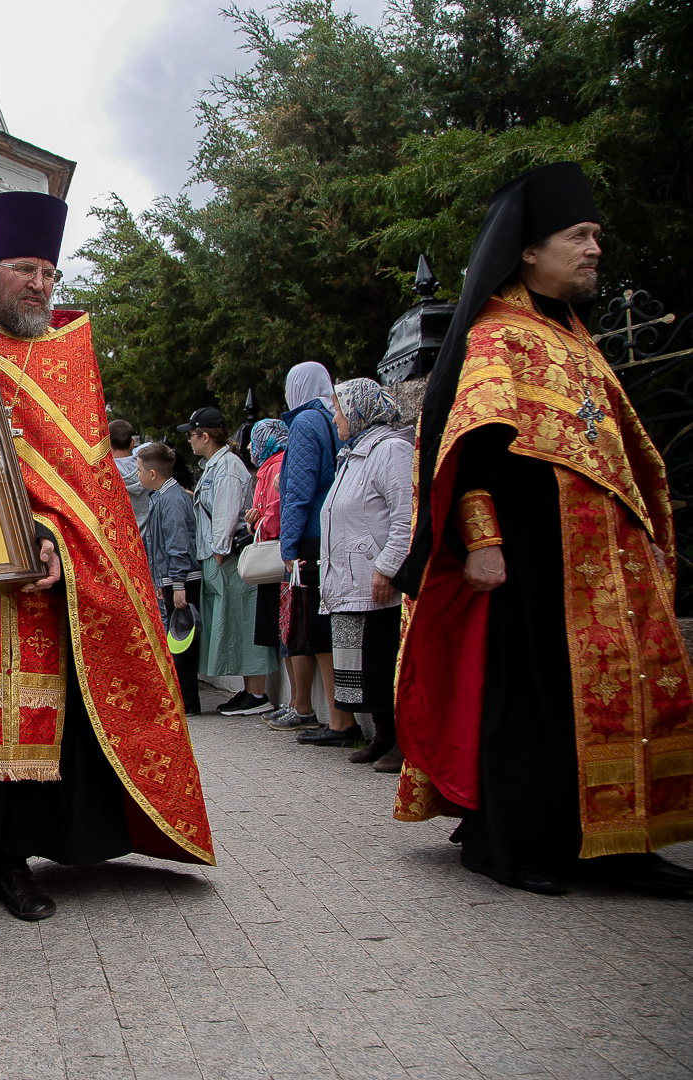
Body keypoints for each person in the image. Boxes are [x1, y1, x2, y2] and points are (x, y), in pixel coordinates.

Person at [0, 190, 215, 924]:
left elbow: (89, 484)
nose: (39, 285)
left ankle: (10, 856)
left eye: (49, 273)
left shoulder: (71, 359)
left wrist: (62, 542)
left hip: (43, 577)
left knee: (40, 721)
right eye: (25, 269)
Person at [393, 161, 693, 897]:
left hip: (608, 561)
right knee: (531, 701)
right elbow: (468, 454)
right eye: (579, 235)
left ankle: (620, 844)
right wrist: (484, 542)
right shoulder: (499, 337)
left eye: (595, 235)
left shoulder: (579, 340)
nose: (595, 248)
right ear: (529, 249)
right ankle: (513, 840)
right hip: (532, 557)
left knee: (616, 698)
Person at [318, 380, 410, 771]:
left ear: (358, 410)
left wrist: (387, 566)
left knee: (384, 662)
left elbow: (405, 517)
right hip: (351, 580)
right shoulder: (354, 454)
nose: (335, 418)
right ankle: (383, 736)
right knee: (364, 670)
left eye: (339, 409)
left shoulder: (392, 450)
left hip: (377, 581)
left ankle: (402, 742)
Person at [277, 361, 358, 746]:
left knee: (317, 629)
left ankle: (340, 721)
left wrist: (288, 545)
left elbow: (298, 490)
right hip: (338, 532)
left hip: (312, 538)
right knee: (332, 626)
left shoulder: (306, 423)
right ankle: (342, 717)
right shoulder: (335, 415)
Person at [180, 406, 276, 714]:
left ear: (205, 436)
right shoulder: (214, 465)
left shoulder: (228, 467)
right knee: (233, 622)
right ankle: (250, 691)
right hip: (216, 556)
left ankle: (257, 693)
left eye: (192, 435)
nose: (189, 442)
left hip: (227, 558)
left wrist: (220, 551)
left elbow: (225, 511)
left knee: (243, 621)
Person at [243, 419, 306, 730]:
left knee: (287, 634)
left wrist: (259, 523)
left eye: (255, 441)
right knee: (283, 636)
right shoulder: (269, 465)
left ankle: (297, 703)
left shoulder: (276, 464)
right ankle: (293, 702)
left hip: (279, 556)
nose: (250, 448)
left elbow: (278, 511)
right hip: (276, 553)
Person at [137, 441, 201, 713]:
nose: (137, 475)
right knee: (176, 638)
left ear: (153, 474)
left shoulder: (172, 499)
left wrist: (177, 584)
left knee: (180, 639)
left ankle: (186, 702)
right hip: (172, 580)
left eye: (139, 470)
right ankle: (182, 699)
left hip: (182, 580)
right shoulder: (164, 496)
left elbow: (177, 545)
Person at [111, 419, 153, 540]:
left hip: (119, 541)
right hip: (148, 540)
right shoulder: (148, 469)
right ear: (132, 443)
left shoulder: (104, 473)